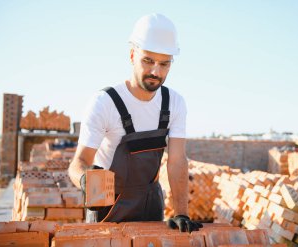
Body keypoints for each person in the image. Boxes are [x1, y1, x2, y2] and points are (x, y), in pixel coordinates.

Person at [68, 13, 202, 233]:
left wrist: (181, 212)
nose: (155, 72)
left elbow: (177, 161)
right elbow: (79, 162)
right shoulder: (105, 103)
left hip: (151, 204)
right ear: (132, 55)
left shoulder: (174, 103)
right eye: (148, 61)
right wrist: (85, 179)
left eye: (164, 64)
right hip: (108, 210)